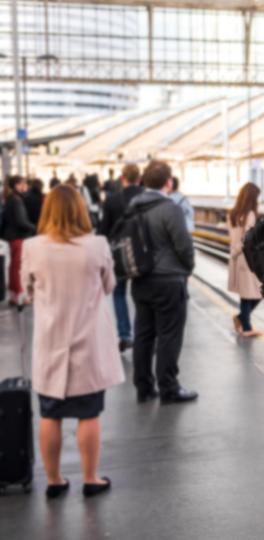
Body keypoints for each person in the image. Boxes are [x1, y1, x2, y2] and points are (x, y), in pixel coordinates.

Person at [21, 185, 123, 498]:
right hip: (87, 344)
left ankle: (54, 481)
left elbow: (26, 292)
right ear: (81, 209)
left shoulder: (32, 247)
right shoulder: (97, 245)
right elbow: (109, 286)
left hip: (50, 343)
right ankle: (90, 479)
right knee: (88, 413)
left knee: (50, 414)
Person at [128, 160, 197, 404]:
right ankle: (169, 387)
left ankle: (144, 387)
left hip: (140, 280)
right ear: (168, 182)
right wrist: (188, 268)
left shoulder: (133, 206)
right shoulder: (170, 209)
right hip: (168, 280)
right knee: (169, 335)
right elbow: (183, 245)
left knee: (143, 335)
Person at [99, 163, 144, 352]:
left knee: (119, 294)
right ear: (139, 179)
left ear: (122, 179)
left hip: (119, 255)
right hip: (143, 254)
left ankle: (125, 335)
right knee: (143, 296)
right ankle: (144, 335)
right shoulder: (147, 197)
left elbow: (103, 231)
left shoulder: (112, 200)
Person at [227, 182, 263, 337]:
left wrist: (234, 252)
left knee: (246, 293)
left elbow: (233, 237)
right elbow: (247, 238)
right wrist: (237, 251)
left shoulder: (232, 213)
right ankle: (246, 326)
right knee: (255, 292)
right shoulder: (250, 214)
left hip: (236, 258)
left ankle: (242, 320)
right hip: (246, 258)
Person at [2, 175, 36, 307]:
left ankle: (13, 295)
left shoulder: (9, 199)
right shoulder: (17, 200)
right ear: (16, 185)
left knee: (13, 267)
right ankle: (21, 296)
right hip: (18, 237)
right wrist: (35, 227)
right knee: (18, 268)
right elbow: (21, 221)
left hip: (11, 236)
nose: (25, 186)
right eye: (23, 184)